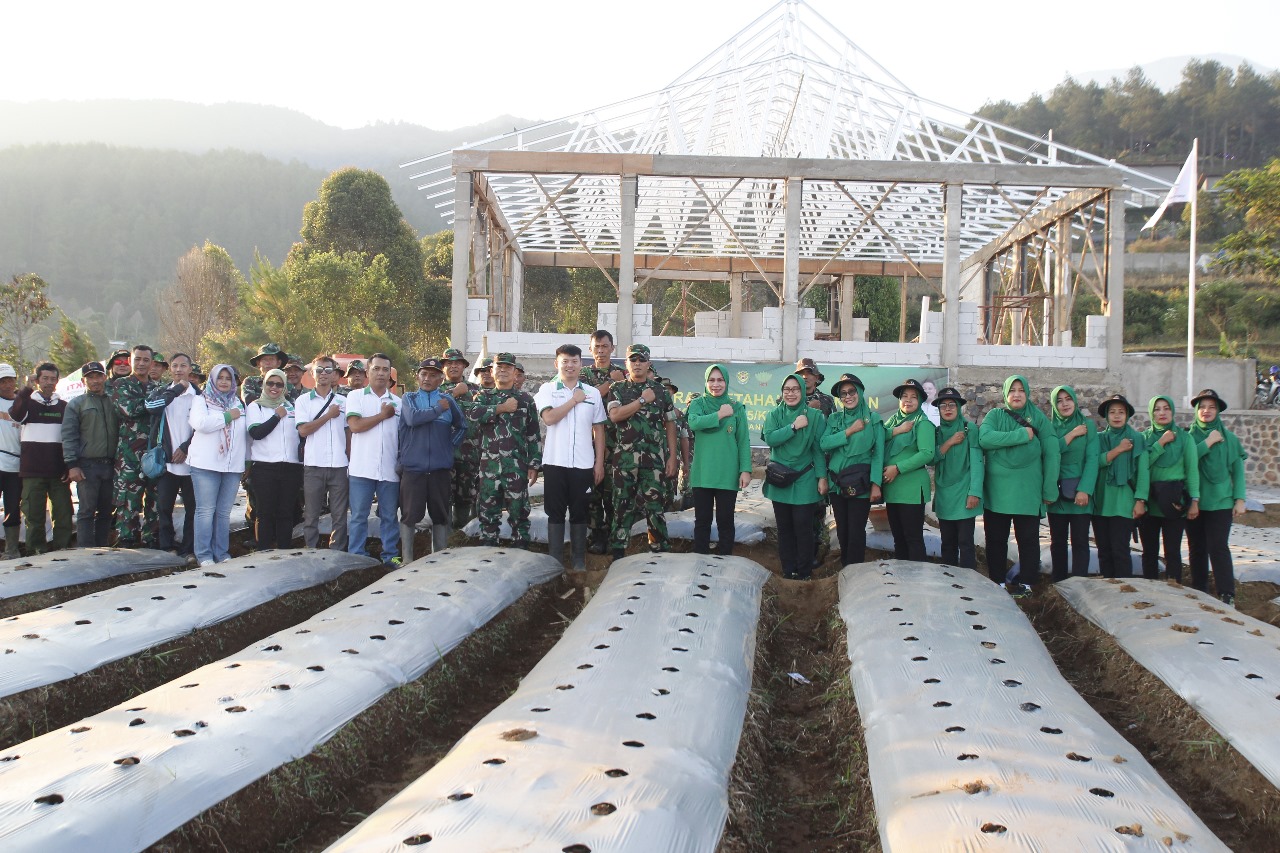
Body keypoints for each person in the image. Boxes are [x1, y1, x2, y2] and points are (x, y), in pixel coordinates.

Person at [978, 374, 1060, 596]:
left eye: (1021, 390)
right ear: (1005, 393)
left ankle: (1027, 583)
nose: (1016, 394)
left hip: (1028, 490)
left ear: (1027, 393)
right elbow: (985, 439)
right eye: (1012, 390)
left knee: (1028, 540)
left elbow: (1052, 453)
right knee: (995, 539)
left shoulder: (1039, 419)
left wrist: (1050, 488)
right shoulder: (995, 415)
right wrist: (1021, 435)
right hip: (997, 492)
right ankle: (998, 582)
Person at [535, 343, 606, 571]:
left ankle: (578, 560)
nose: (570, 365)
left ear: (581, 364)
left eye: (574, 361)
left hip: (583, 464)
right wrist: (574, 400)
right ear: (557, 364)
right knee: (554, 513)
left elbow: (599, 430)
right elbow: (550, 418)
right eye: (565, 361)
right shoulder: (547, 390)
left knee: (580, 512)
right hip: (555, 463)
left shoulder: (593, 393)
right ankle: (555, 561)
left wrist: (599, 463)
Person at [605, 344, 677, 560]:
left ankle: (659, 552)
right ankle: (618, 553)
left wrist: (672, 457)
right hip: (624, 461)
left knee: (655, 507)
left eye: (641, 360)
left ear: (648, 364)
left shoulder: (662, 392)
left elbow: (670, 424)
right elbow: (615, 416)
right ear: (626, 364)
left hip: (654, 461)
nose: (637, 364)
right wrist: (642, 400)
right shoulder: (617, 389)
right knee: (621, 507)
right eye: (633, 360)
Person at [469, 353, 541, 548]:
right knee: (487, 511)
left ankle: (521, 548)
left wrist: (534, 464)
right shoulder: (483, 396)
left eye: (507, 367)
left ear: (515, 372)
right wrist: (501, 407)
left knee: (519, 511)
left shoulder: (525, 400)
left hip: (516, 467)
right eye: (498, 367)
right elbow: (473, 416)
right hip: (489, 466)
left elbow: (533, 434)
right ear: (492, 371)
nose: (502, 370)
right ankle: (488, 548)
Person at [399, 357, 467, 558]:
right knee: (410, 515)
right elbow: (412, 419)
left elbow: (462, 426)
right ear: (417, 377)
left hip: (439, 469)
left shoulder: (449, 401)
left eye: (433, 375)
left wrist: (449, 446)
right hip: (413, 469)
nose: (427, 379)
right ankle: (406, 559)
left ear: (440, 379)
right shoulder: (409, 398)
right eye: (424, 374)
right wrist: (438, 409)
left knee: (440, 515)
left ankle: (440, 556)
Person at [763, 373, 827, 580]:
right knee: (784, 528)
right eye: (787, 390)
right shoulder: (774, 415)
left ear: (802, 390)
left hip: (805, 478)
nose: (791, 394)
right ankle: (788, 570)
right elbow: (771, 439)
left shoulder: (815, 417)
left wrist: (822, 477)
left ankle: (804, 571)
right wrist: (793, 426)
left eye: (795, 389)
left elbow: (818, 449)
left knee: (803, 527)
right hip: (780, 478)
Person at [1186, 389, 1247, 606]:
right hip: (1195, 501)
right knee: (1196, 547)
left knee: (1218, 545)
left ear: (1218, 410)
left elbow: (1237, 470)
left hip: (1221, 500)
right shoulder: (1189, 437)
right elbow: (1188, 462)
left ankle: (1226, 593)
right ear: (1196, 410)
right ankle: (1200, 590)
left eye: (1212, 407)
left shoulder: (1229, 438)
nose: (1206, 411)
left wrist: (1240, 499)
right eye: (1202, 406)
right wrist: (1208, 442)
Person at [685, 363, 751, 556]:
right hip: (703, 472)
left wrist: (745, 469)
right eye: (711, 380)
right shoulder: (699, 404)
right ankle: (700, 560)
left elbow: (743, 440)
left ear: (726, 382)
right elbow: (694, 422)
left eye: (720, 380)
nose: (716, 384)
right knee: (702, 520)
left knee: (725, 520)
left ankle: (725, 560)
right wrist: (720, 414)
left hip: (727, 473)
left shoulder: (737, 408)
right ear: (706, 382)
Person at [10, 363, 73, 554]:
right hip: (33, 471)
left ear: (57, 382)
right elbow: (15, 415)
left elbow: (70, 437)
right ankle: (35, 552)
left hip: (58, 472)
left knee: (63, 515)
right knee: (34, 516)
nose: (48, 383)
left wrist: (69, 466)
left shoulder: (64, 407)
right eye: (44, 379)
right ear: (37, 380)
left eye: (53, 379)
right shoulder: (27, 403)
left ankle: (62, 550)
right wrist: (26, 389)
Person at [820, 373, 882, 567]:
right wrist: (850, 430)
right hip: (837, 484)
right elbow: (824, 443)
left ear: (860, 392)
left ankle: (855, 569)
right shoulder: (834, 419)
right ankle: (845, 568)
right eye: (843, 393)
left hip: (860, 484)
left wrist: (876, 484)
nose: (847, 396)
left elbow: (878, 454)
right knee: (842, 530)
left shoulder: (873, 419)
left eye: (852, 391)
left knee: (856, 530)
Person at [188, 364, 247, 565]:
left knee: (223, 512)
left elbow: (244, 435)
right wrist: (228, 416)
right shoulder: (201, 401)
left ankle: (221, 553)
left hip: (232, 467)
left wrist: (244, 462)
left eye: (228, 378)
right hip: (205, 465)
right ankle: (203, 554)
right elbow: (201, 424)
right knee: (206, 511)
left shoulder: (238, 403)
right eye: (220, 377)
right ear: (212, 380)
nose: (224, 381)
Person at [346, 353, 401, 565]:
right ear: (368, 372)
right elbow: (355, 426)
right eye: (376, 368)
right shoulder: (356, 397)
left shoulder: (398, 402)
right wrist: (381, 416)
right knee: (359, 516)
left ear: (389, 374)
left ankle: (390, 556)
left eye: (385, 369)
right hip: (362, 469)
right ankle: (357, 557)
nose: (380, 373)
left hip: (389, 470)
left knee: (389, 516)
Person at [1140, 395, 1200, 583]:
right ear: (1151, 413)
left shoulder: (1185, 438)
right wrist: (1161, 443)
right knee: (1149, 551)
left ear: (1172, 411)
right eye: (1157, 409)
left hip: (1174, 502)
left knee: (1172, 551)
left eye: (1166, 408)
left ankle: (1174, 589)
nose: (1162, 413)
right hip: (1150, 502)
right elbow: (1142, 466)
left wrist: (1194, 501)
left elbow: (1191, 470)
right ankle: (1149, 589)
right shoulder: (1144, 438)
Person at [145, 353, 199, 560]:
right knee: (164, 507)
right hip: (167, 463)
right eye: (175, 366)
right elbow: (151, 408)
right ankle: (167, 546)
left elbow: (203, 427)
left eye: (183, 366)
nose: (178, 370)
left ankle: (189, 548)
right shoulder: (162, 392)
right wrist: (176, 390)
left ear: (190, 369)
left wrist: (186, 447)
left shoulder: (199, 396)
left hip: (191, 461)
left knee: (192, 509)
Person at [63, 360, 120, 547]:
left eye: (98, 376)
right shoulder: (76, 404)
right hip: (87, 465)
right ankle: (84, 552)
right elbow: (69, 435)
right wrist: (72, 465)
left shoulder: (115, 401)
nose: (95, 381)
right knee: (86, 511)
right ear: (83, 381)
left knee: (106, 511)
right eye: (90, 378)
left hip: (110, 464)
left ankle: (102, 549)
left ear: (105, 377)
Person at [295, 355, 350, 551]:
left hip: (339, 465)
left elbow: (348, 431)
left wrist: (349, 458)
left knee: (339, 514)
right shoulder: (303, 401)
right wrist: (328, 416)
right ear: (312, 374)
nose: (324, 374)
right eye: (319, 370)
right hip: (314, 465)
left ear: (335, 374)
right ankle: (311, 550)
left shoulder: (344, 401)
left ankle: (337, 551)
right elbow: (303, 430)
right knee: (311, 514)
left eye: (328, 370)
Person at [1091, 395, 1148, 579]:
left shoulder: (1137, 439)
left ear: (1127, 415)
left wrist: (1140, 500)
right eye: (1112, 412)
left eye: (1121, 412)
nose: (1117, 416)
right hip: (1101, 502)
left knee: (1120, 550)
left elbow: (1143, 472)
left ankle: (1124, 589)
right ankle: (1108, 589)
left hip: (1124, 503)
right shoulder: (1098, 439)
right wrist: (1118, 450)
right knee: (1104, 551)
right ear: (1106, 416)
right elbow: (1094, 463)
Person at [245, 368, 302, 550]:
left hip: (291, 467)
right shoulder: (256, 406)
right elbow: (257, 433)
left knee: (286, 513)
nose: (274, 388)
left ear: (285, 387)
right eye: (270, 383)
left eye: (279, 384)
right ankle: (264, 551)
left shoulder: (292, 407)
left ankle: (284, 550)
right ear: (264, 384)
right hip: (264, 468)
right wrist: (277, 416)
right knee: (265, 512)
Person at [1046, 385, 1099, 581]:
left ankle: (1080, 582)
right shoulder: (1050, 428)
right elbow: (1051, 453)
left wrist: (1085, 490)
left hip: (1080, 494)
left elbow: (1092, 459)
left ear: (1075, 401)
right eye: (1059, 400)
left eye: (1068, 398)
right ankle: (1058, 583)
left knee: (1080, 541)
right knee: (1058, 541)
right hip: (1057, 493)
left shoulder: (1088, 426)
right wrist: (1072, 434)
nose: (1064, 403)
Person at [108, 345, 158, 547]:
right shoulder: (122, 385)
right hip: (129, 453)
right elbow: (129, 409)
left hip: (154, 452)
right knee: (128, 498)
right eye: (138, 359)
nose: (142, 363)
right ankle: (126, 538)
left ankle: (151, 537)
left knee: (155, 498)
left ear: (152, 363)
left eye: (146, 360)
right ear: (131, 361)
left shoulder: (157, 387)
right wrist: (156, 402)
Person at [881, 378, 935, 561]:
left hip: (911, 489)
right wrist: (897, 430)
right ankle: (902, 578)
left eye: (914, 397)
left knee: (913, 538)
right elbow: (878, 435)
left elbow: (927, 453)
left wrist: (897, 468)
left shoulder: (923, 422)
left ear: (920, 401)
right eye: (904, 396)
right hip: (893, 488)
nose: (908, 400)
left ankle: (916, 581)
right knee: (898, 539)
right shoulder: (894, 421)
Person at [931, 386, 983, 569]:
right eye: (943, 405)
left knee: (965, 542)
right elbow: (931, 459)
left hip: (964, 492)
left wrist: (975, 491)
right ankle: (950, 583)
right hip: (945, 492)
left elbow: (977, 462)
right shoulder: (936, 432)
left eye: (951, 405)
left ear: (959, 407)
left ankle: (969, 583)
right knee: (947, 542)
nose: (947, 409)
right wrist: (950, 442)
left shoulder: (970, 429)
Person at [583, 330, 624, 554]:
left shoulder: (623, 374)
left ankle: (612, 535)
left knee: (614, 493)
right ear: (591, 349)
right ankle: (596, 535)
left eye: (605, 346)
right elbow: (587, 398)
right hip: (590, 444)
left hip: (617, 445)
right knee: (594, 493)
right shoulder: (583, 375)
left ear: (612, 348)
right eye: (597, 347)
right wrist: (611, 383)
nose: (601, 351)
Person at [440, 348, 482, 529]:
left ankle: (461, 534)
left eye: (457, 363)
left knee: (466, 496)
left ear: (464, 366)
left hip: (469, 453)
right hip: (443, 453)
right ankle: (446, 534)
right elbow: (431, 409)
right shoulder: (435, 389)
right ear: (443, 367)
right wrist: (455, 393)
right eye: (449, 363)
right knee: (443, 495)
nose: (453, 366)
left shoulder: (475, 390)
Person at [0, 364, 21, 558]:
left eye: (9, 380)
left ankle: (12, 550)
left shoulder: (22, 404)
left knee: (13, 509)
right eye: (3, 381)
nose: (7, 385)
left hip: (16, 466)